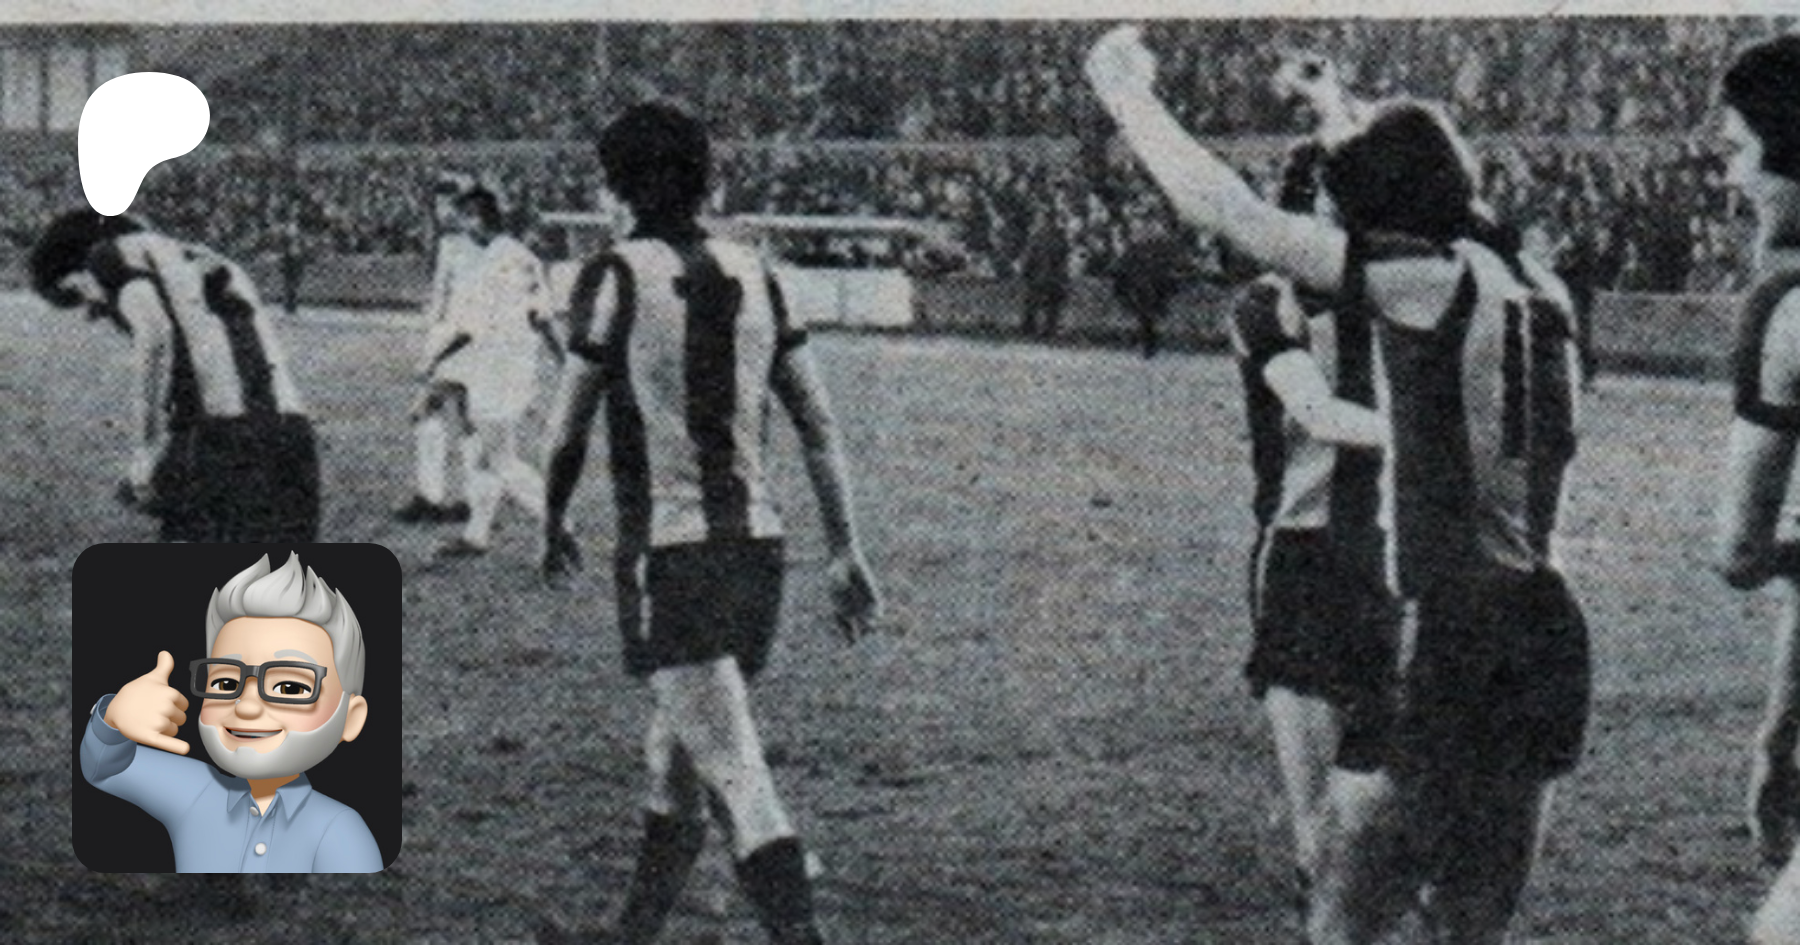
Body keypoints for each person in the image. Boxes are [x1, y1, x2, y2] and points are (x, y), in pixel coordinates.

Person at [1087, 27, 1588, 945]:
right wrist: (1334, 107)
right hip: (1548, 623)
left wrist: (1126, 94)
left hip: (1452, 625)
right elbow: (1426, 184)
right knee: (1471, 927)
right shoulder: (1536, 286)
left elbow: (1227, 210)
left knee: (1342, 913)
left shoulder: (1425, 282)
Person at [537, 102, 882, 945]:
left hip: (673, 554)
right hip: (757, 550)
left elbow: (567, 428)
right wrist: (845, 550)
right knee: (678, 755)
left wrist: (552, 518)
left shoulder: (613, 274)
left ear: (619, 186)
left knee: (735, 770)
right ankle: (631, 934)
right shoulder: (759, 272)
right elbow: (818, 425)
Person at [1229, 52, 1396, 910]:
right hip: (1300, 560)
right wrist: (1435, 441)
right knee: (1319, 826)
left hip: (1386, 556)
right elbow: (1318, 414)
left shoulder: (1392, 295)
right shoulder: (1265, 305)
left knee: (1383, 812)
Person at [79, 551, 381, 872]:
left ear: (351, 718)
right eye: (225, 683)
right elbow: (105, 769)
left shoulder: (338, 829)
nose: (247, 706)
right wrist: (113, 718)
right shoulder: (194, 791)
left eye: (289, 688)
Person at [29, 211, 318, 543]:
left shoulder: (112, 254)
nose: (95, 312)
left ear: (79, 263)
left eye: (78, 293)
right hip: (294, 439)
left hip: (222, 438)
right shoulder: (216, 261)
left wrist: (145, 449)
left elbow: (154, 334)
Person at [1710, 35, 1800, 945]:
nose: (1733, 177)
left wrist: (1777, 739)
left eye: (1741, 149)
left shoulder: (1787, 309)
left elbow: (1739, 552)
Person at [424, 184, 562, 557]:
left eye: (464, 217)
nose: (461, 226)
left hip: (496, 369)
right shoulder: (525, 257)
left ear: (476, 218)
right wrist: (563, 361)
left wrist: (434, 360)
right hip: (520, 368)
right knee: (489, 456)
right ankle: (476, 536)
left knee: (500, 459)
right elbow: (543, 318)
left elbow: (469, 329)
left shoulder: (489, 265)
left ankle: (559, 522)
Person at [396, 172, 482, 525]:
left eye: (449, 202)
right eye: (438, 203)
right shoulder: (450, 243)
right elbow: (440, 297)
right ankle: (462, 499)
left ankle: (439, 498)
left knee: (439, 412)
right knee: (455, 415)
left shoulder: (476, 244)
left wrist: (439, 350)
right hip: (450, 337)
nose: (442, 210)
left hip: (464, 339)